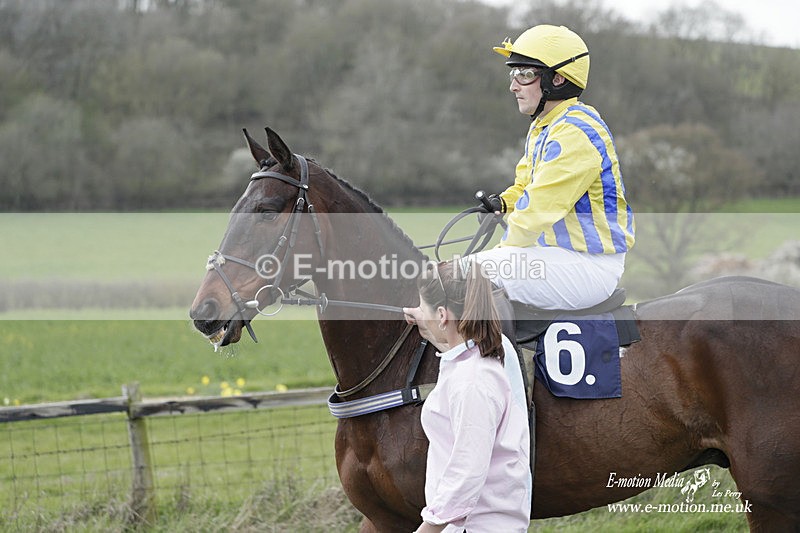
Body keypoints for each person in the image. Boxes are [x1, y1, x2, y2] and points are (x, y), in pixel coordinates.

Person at [476, 24, 635, 310]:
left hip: (588, 265)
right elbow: (527, 187)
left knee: (461, 278)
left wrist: (502, 251)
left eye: (524, 75)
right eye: (513, 74)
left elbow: (537, 210)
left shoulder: (575, 131)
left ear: (557, 79)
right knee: (461, 273)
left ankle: (498, 357)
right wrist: (504, 203)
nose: (513, 85)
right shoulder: (545, 125)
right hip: (558, 257)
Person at [403, 260, 531, 533]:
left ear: (442, 315)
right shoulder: (476, 357)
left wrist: (427, 529)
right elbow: (453, 342)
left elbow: (467, 470)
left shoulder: (472, 382)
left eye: (423, 307)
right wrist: (425, 319)